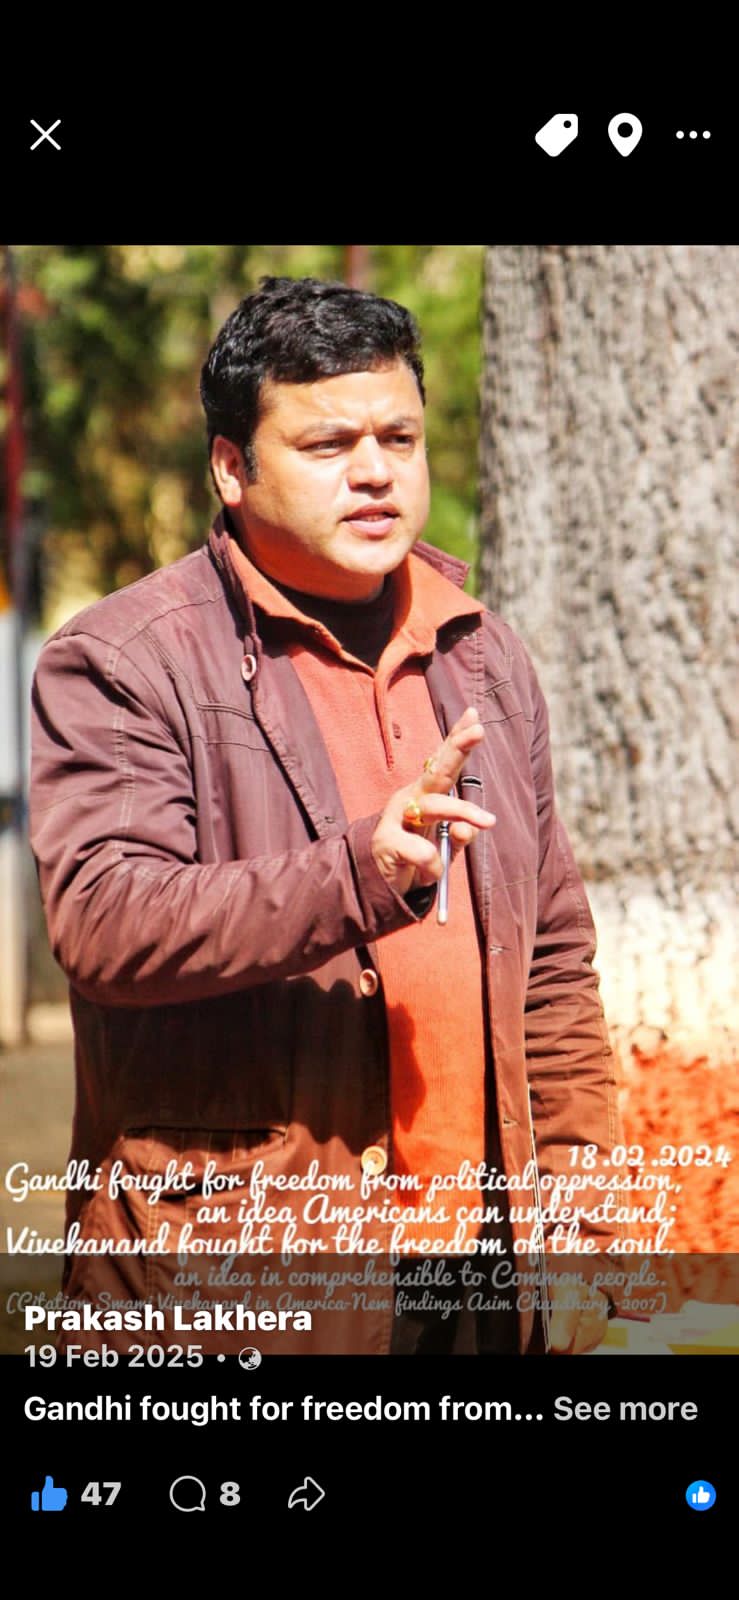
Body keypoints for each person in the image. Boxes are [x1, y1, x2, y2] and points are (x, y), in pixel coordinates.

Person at [30, 275, 623, 1358]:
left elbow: (551, 965)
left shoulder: (481, 652)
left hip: (482, 1279)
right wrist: (358, 872)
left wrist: (582, 1221)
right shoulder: (125, 659)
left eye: (399, 438)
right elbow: (105, 921)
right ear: (231, 467)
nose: (374, 471)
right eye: (327, 444)